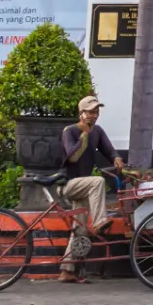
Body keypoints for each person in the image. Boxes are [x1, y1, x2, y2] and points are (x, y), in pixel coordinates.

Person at [57, 95, 123, 282]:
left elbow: (109, 150)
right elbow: (73, 157)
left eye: (96, 112)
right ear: (81, 113)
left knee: (80, 228)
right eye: (91, 112)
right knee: (98, 181)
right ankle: (100, 221)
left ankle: (67, 270)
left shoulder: (98, 131)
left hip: (84, 187)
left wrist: (117, 158)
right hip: (68, 184)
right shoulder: (70, 131)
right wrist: (84, 135)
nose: (94, 115)